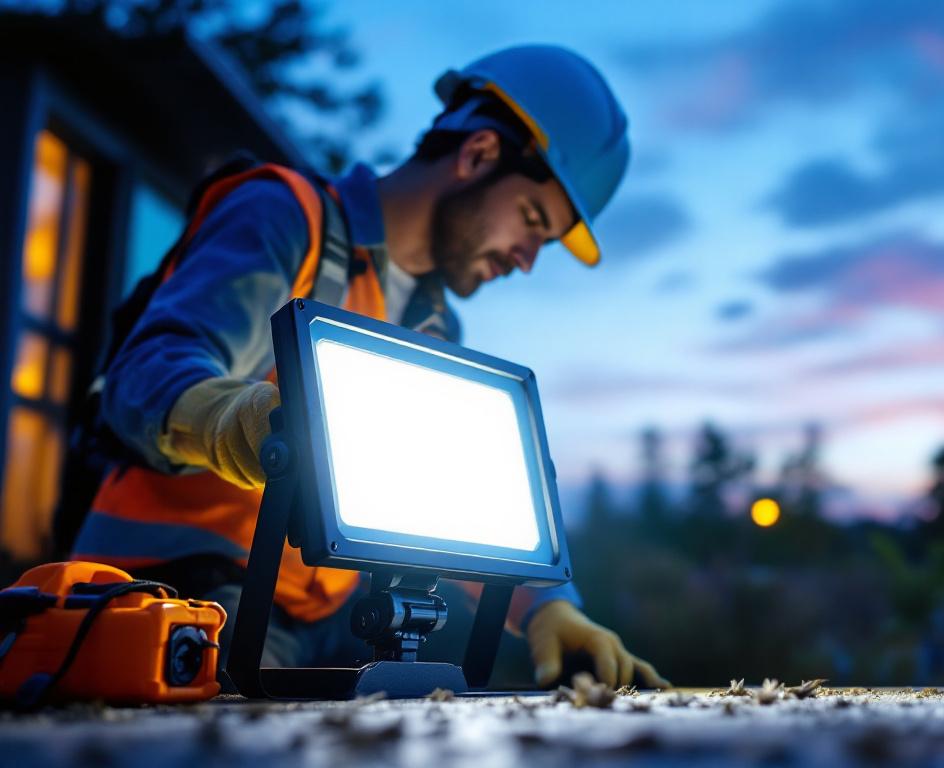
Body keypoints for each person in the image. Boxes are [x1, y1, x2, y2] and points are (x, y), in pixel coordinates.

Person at [69, 45, 668, 690]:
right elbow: (146, 372)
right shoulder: (285, 215)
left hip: (316, 614)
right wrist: (229, 417)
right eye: (531, 220)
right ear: (478, 155)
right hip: (167, 590)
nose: (526, 259)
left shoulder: (432, 328)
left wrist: (548, 606)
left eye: (542, 244)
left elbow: (454, 494)